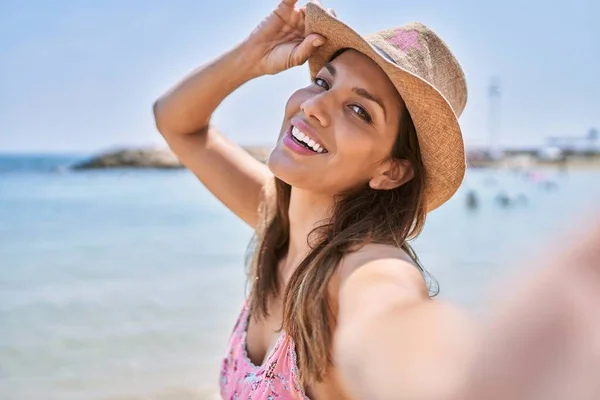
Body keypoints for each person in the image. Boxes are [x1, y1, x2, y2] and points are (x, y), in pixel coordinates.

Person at [153, 1, 600, 399]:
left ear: (391, 171)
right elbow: (177, 123)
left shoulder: (365, 267)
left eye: (360, 110)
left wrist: (477, 377)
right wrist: (250, 56)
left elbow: (393, 320)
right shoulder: (278, 220)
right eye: (324, 82)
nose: (314, 107)